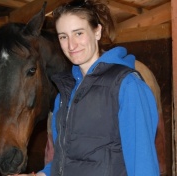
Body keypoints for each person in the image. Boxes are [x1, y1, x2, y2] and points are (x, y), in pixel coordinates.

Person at [11, 0, 159, 175]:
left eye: (79, 33)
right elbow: (64, 161)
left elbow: (143, 165)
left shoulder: (127, 86)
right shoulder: (64, 95)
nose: (71, 45)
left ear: (97, 31)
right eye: (63, 37)